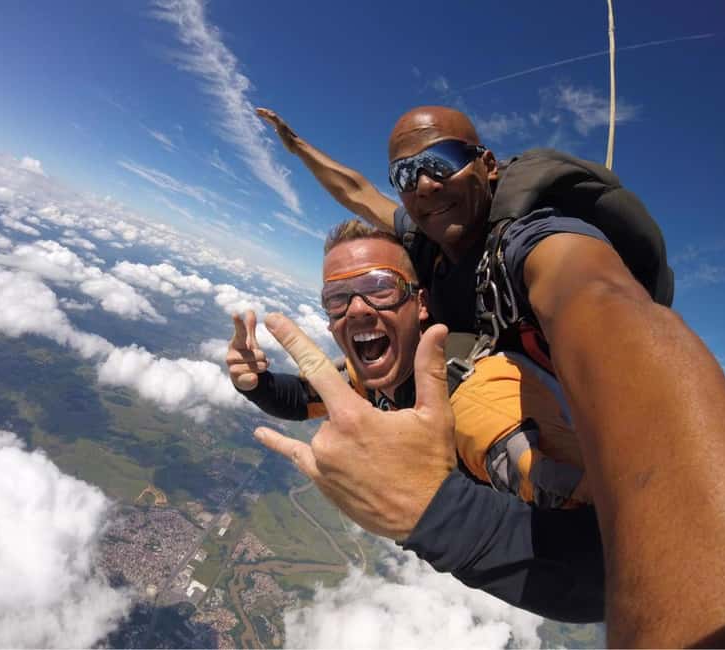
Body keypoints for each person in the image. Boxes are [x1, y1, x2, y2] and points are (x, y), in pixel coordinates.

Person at [253, 107, 725, 645]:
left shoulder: (537, 240)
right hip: (487, 374)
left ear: (487, 164)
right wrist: (297, 146)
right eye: (406, 174)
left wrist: (702, 530)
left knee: (563, 478)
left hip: (555, 395)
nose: (425, 184)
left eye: (441, 161)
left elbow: (603, 301)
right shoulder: (427, 236)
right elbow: (356, 190)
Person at [230, 220, 603, 622]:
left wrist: (435, 514)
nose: (357, 308)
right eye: (338, 297)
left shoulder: (478, 401)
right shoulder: (368, 377)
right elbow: (304, 398)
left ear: (419, 303)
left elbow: (617, 566)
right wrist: (258, 383)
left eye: (379, 287)